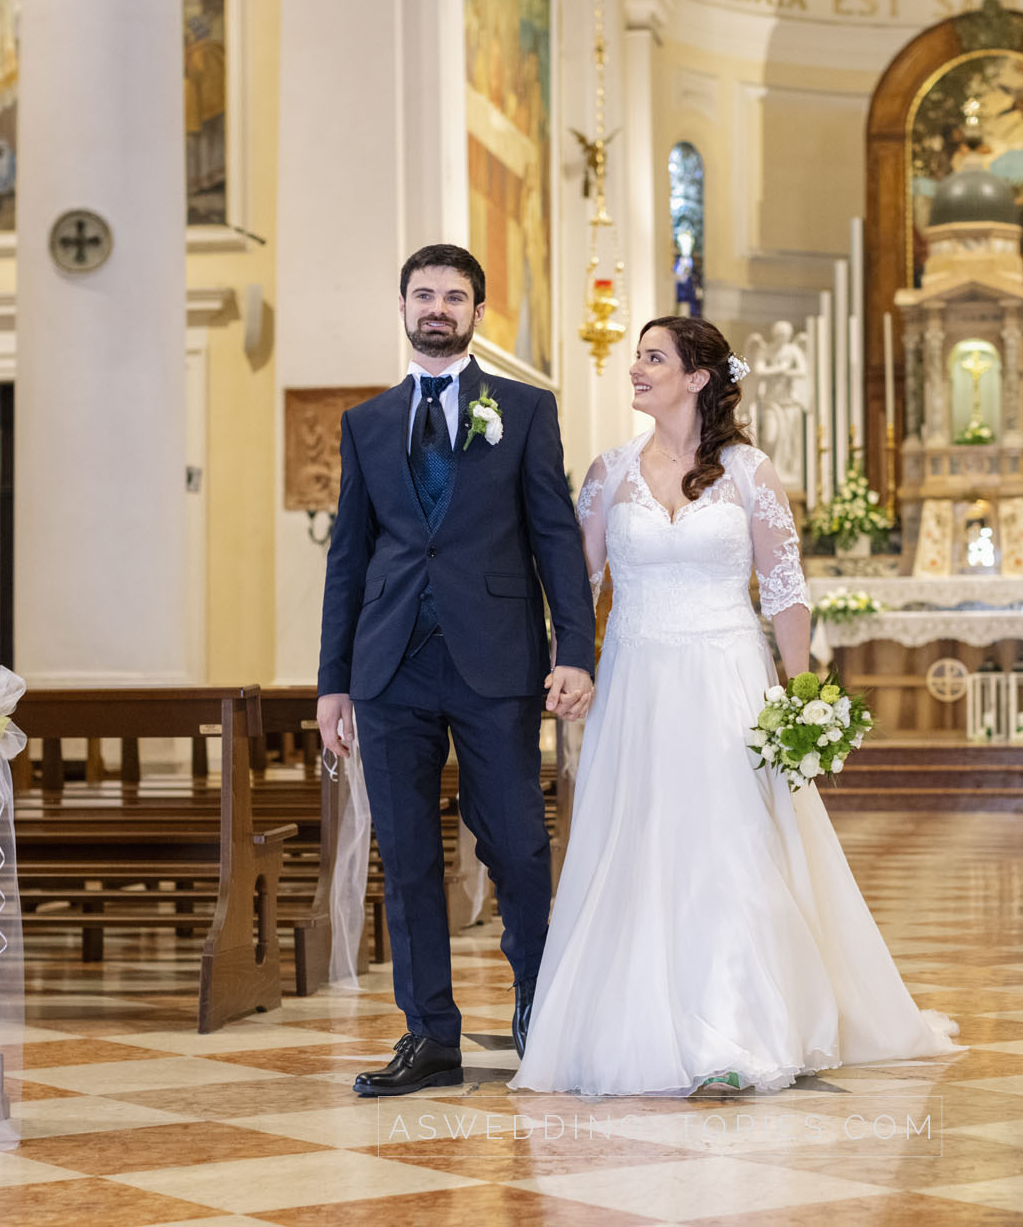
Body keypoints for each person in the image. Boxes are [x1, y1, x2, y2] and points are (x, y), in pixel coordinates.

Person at [510, 315, 960, 1096]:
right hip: (639, 681)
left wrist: (802, 694)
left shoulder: (751, 473)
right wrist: (568, 663)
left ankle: (735, 1024)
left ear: (697, 378)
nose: (637, 369)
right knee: (639, 840)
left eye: (654, 358)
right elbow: (576, 587)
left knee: (728, 845)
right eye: (637, 357)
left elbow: (784, 589)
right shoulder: (608, 473)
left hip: (729, 681)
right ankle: (632, 1021)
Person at [315, 244, 595, 1098]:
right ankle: (429, 1036)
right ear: (402, 305)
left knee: (514, 842)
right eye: (424, 294)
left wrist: (574, 650)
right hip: (390, 663)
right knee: (405, 857)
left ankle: (537, 1010)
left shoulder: (525, 409)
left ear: (478, 311)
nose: (438, 308)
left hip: (495, 659)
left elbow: (554, 535)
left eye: (455, 296)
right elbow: (349, 558)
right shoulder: (366, 423)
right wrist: (332, 681)